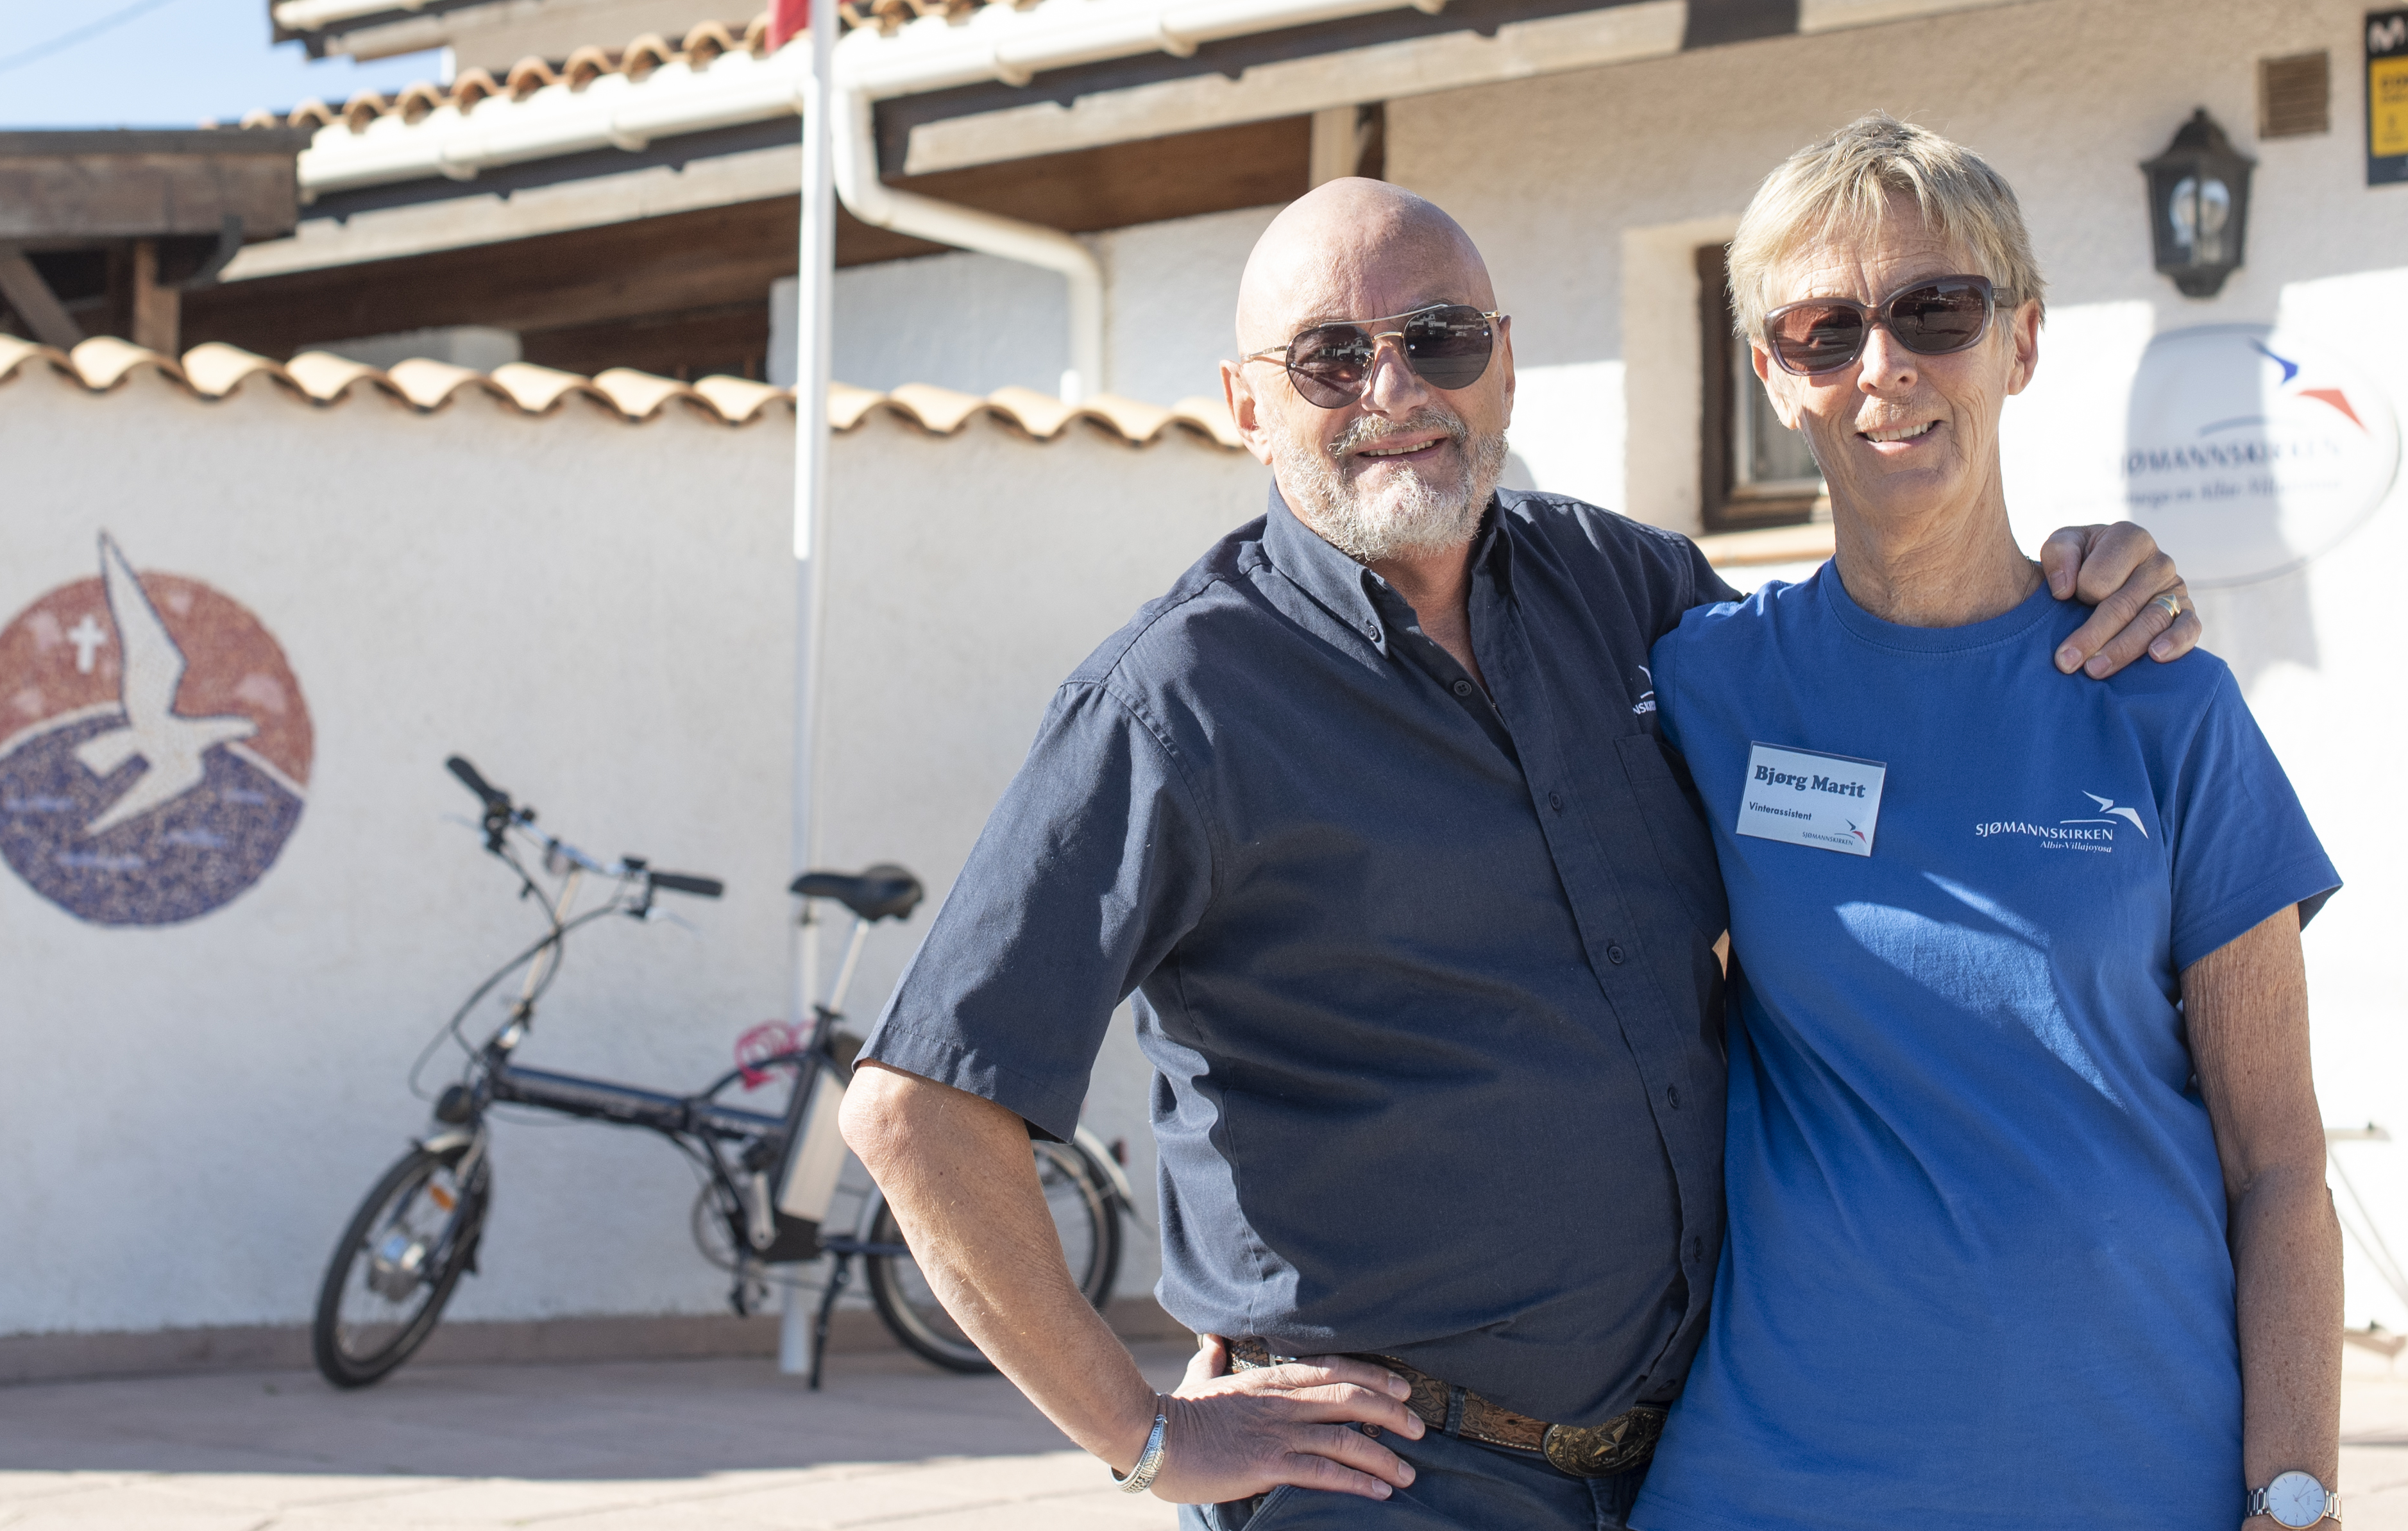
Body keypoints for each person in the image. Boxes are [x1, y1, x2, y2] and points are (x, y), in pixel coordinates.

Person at [839, 178, 2209, 1530]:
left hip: (1692, 1459)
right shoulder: (1173, 704)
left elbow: (1873, 694)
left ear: (1502, 364)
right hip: (1390, 1482)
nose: (1392, 389)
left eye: (1437, 337)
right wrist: (1141, 1435)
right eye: (1329, 355)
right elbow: (917, 1111)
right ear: (1246, 402)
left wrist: (2060, 590)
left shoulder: (1624, 591)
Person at [1634, 117, 2342, 1531]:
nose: (1881, 366)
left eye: (1932, 310)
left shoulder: (2160, 702)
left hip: (2130, 1466)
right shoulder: (1704, 687)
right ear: (1773, 376)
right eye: (1824, 330)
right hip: (1778, 1477)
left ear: (2018, 341)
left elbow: (2278, 1161)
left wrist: (2294, 1481)